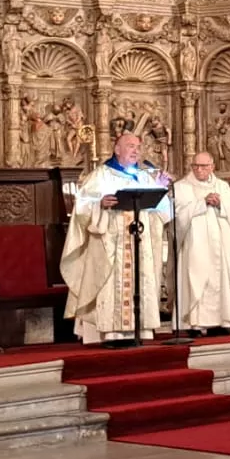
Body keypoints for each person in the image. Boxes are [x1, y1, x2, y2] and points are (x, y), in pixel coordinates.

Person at [60, 134, 173, 347]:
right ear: (117, 149)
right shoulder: (100, 176)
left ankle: (138, 330)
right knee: (110, 285)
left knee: (140, 281)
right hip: (110, 246)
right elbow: (81, 207)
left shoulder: (144, 177)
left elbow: (163, 213)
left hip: (138, 244)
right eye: (130, 146)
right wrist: (99, 204)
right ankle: (112, 333)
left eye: (138, 147)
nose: (136, 151)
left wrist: (160, 191)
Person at [172, 152, 230, 336]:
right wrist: (202, 203)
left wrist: (220, 203)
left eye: (204, 166)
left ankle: (220, 322)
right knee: (196, 277)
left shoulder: (222, 186)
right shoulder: (181, 187)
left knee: (220, 279)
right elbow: (177, 214)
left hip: (220, 244)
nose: (199, 170)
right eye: (195, 166)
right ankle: (193, 324)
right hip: (196, 245)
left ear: (212, 166)